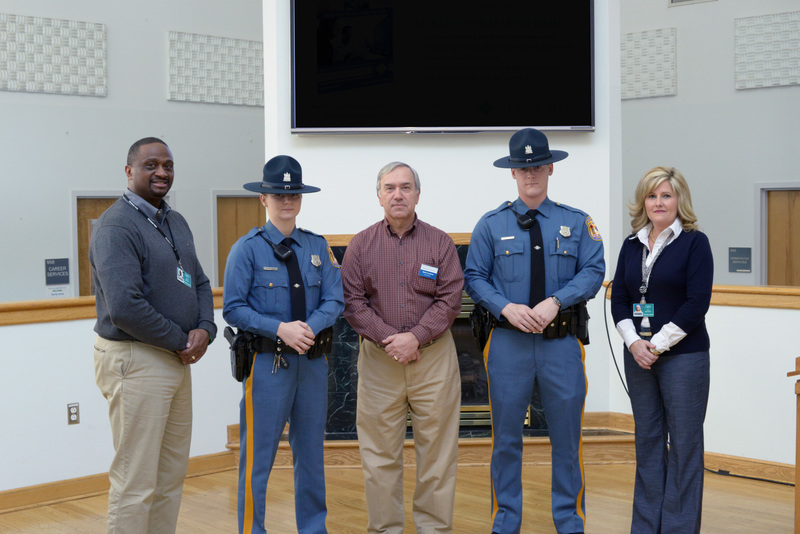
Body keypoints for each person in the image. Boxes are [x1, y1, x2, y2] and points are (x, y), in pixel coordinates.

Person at [464, 128, 605, 534]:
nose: (530, 174)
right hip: (508, 344)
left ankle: (570, 521)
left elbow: (594, 270)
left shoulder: (577, 222)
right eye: (521, 167)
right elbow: (473, 275)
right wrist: (504, 306)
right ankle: (505, 521)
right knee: (506, 439)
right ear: (512, 173)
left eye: (537, 166)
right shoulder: (491, 224)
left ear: (550, 168)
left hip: (561, 343)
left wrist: (556, 301)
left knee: (567, 439)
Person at [90, 137, 217, 534]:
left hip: (174, 361)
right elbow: (124, 307)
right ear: (129, 172)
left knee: (169, 477)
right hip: (136, 358)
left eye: (168, 165)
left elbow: (199, 282)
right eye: (150, 165)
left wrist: (206, 330)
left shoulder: (174, 221)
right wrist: (182, 340)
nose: (162, 172)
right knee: (136, 482)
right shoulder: (115, 226)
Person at [223, 155, 344, 534]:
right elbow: (233, 308)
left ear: (301, 199)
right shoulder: (247, 249)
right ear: (264, 199)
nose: (286, 200)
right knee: (257, 461)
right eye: (278, 194)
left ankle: (313, 528)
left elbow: (335, 300)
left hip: (311, 365)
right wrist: (281, 329)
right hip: (266, 367)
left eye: (293, 193)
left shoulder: (317, 246)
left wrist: (307, 328)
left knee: (310, 458)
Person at [341, 162, 463, 533]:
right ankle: (385, 529)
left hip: (434, 358)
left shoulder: (439, 242)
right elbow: (353, 302)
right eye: (390, 187)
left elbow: (451, 298)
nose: (398, 194)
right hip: (379, 361)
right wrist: (392, 341)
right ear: (378, 196)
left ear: (417, 194)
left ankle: (434, 528)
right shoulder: (361, 245)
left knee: (438, 456)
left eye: (406, 187)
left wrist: (415, 337)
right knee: (379, 456)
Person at [610, 167, 713, 533]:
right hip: (638, 355)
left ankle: (678, 528)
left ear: (679, 200)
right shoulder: (631, 244)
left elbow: (697, 302)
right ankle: (646, 526)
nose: (658, 202)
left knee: (684, 446)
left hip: (683, 357)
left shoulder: (694, 242)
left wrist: (656, 343)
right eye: (652, 196)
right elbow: (619, 299)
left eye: (666, 195)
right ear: (643, 201)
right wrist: (634, 342)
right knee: (649, 441)